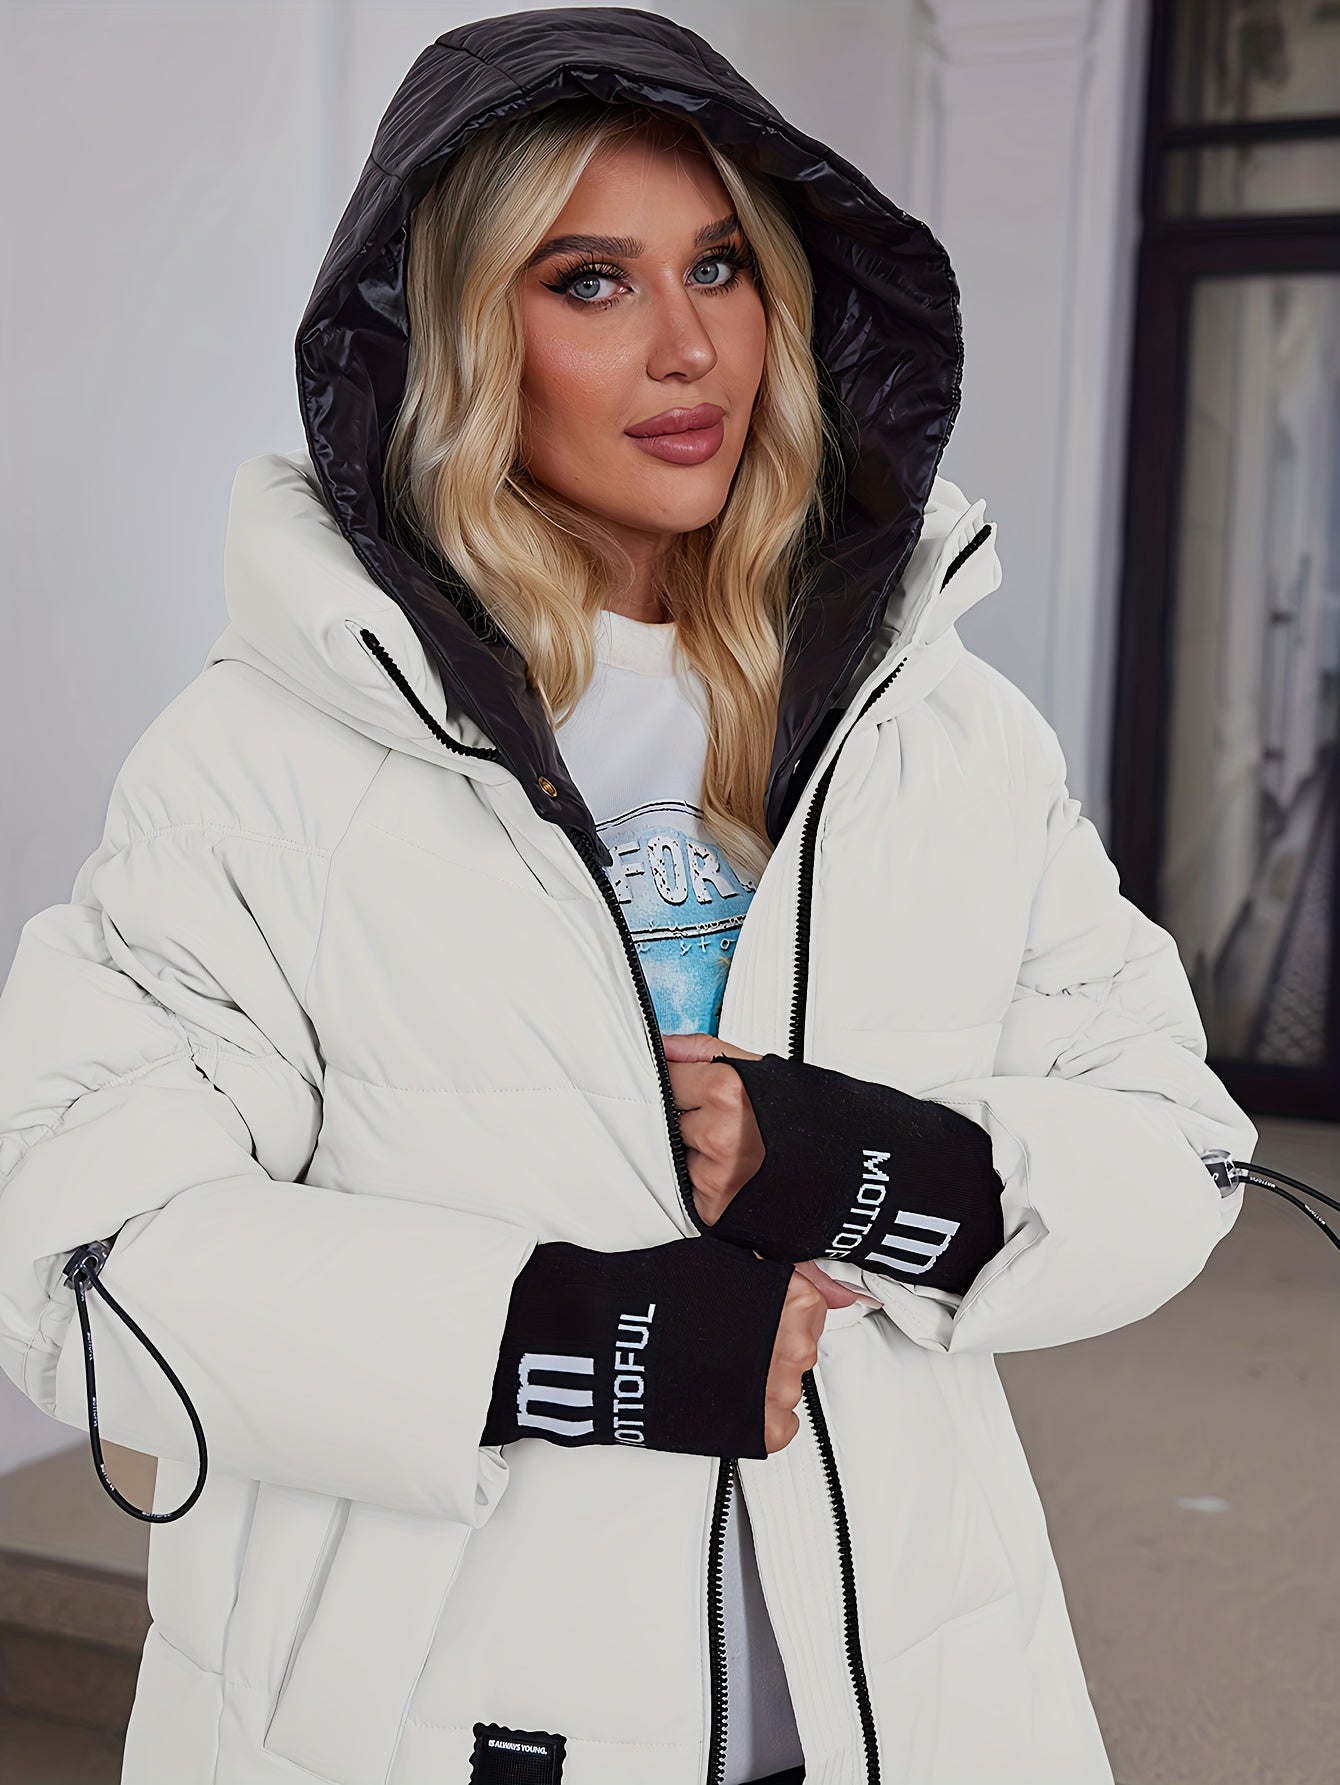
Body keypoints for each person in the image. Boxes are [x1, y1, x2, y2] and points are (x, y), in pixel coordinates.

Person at [0, 10, 1258, 1785]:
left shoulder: (935, 726)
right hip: (435, 1725)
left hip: (903, 1703)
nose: (689, 346)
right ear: (460, 332)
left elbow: (1173, 1143)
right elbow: (80, 1254)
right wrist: (567, 1339)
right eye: (590, 280)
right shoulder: (272, 754)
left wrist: (865, 1168)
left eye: (721, 265)